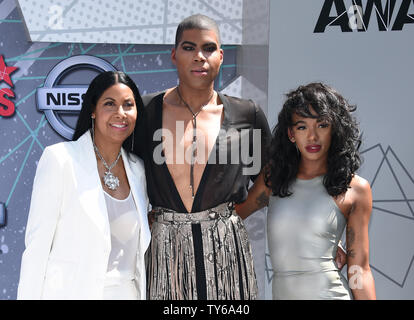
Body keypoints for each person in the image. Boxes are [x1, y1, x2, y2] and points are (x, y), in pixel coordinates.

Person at [131, 14, 271, 300]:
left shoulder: (248, 114)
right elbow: (121, 173)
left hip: (227, 251)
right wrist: (139, 220)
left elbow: (270, 176)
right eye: (188, 47)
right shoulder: (144, 112)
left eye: (208, 48)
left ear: (221, 56)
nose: (199, 57)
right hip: (165, 252)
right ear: (173, 54)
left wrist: (232, 216)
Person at [17, 71, 151, 300]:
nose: (120, 113)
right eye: (110, 104)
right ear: (93, 110)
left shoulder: (138, 170)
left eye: (128, 105)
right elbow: (36, 251)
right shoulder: (60, 160)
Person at [236, 82, 376, 299]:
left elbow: (359, 270)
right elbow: (232, 215)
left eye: (322, 125)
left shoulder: (356, 189)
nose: (312, 137)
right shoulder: (274, 179)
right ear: (291, 133)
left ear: (335, 129)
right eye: (302, 127)